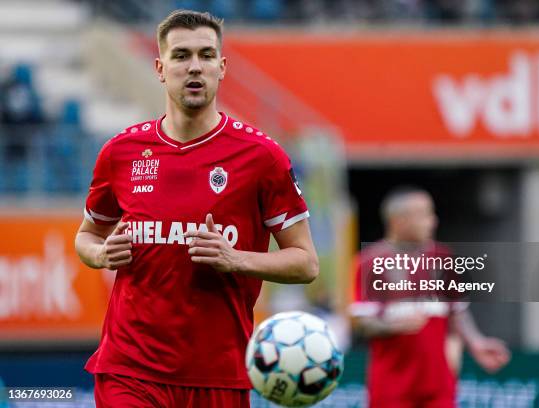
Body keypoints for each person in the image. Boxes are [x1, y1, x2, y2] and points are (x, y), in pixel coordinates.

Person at [74, 10, 318, 408]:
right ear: (159, 67)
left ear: (222, 68)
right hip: (129, 370)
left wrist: (235, 258)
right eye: (181, 55)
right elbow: (86, 236)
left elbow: (306, 263)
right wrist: (100, 254)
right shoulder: (121, 153)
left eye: (206, 55)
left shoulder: (262, 157)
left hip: (218, 375)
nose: (194, 67)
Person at [350, 187, 510, 408]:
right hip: (392, 387)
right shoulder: (369, 262)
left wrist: (476, 342)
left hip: (438, 387)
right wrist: (392, 325)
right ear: (399, 221)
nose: (432, 221)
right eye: (424, 214)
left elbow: (456, 310)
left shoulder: (442, 257)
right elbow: (361, 323)